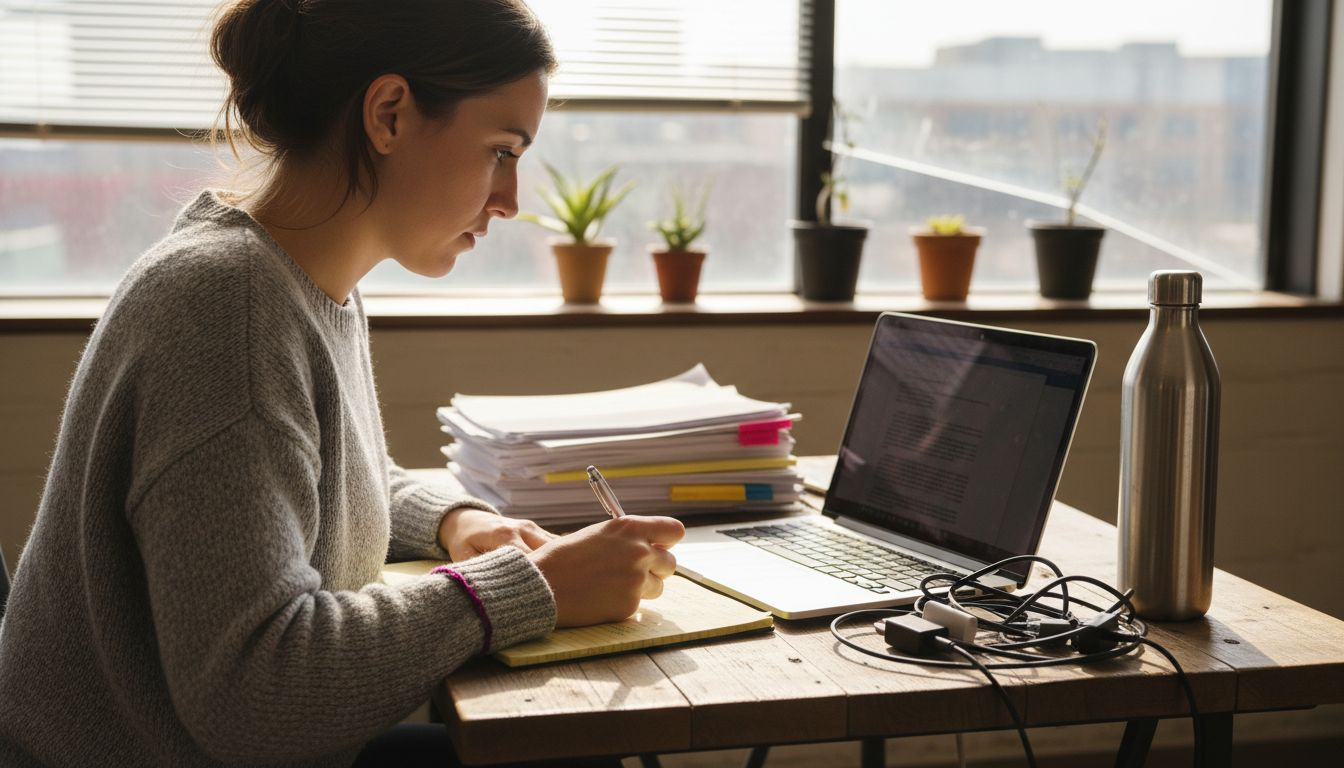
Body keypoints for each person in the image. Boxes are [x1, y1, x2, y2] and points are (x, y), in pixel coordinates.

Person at [0, 1, 685, 766]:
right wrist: (531, 587)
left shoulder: (292, 281)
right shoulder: (229, 309)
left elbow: (314, 482)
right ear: (388, 114)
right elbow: (258, 693)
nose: (510, 200)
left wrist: (456, 522)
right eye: (500, 149)